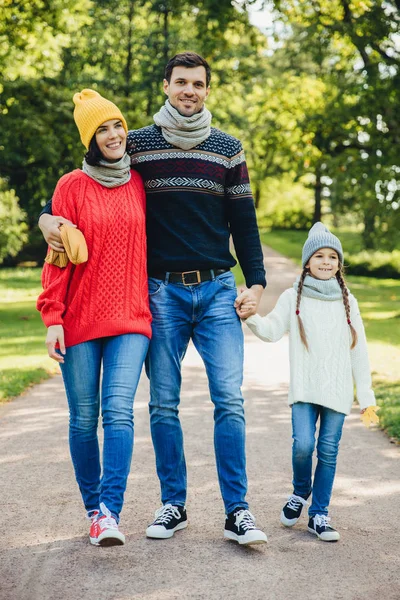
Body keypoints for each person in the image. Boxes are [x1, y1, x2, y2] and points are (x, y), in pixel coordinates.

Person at [38, 52, 268, 545]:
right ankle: (173, 504)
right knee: (163, 404)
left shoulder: (229, 149)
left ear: (208, 89)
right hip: (161, 292)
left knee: (229, 400)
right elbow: (85, 179)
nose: (189, 90)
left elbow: (244, 224)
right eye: (180, 82)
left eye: (198, 83)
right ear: (166, 85)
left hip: (218, 291)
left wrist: (258, 283)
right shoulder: (138, 143)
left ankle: (238, 511)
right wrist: (46, 218)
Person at [37, 90, 152, 547]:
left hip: (131, 318)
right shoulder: (71, 186)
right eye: (101, 129)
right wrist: (53, 317)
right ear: (90, 138)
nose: (113, 135)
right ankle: (92, 508)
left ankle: (109, 511)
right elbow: (57, 257)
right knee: (84, 418)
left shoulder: (140, 183)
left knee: (118, 412)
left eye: (117, 125)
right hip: (80, 319)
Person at [242, 222, 376, 542]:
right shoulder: (293, 297)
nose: (326, 261)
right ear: (307, 262)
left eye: (332, 256)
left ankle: (319, 513)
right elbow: (273, 330)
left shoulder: (348, 301)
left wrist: (366, 396)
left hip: (338, 391)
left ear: (339, 263)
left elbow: (359, 351)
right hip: (305, 387)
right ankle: (300, 492)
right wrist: (250, 317)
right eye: (319, 256)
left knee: (327, 451)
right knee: (303, 445)